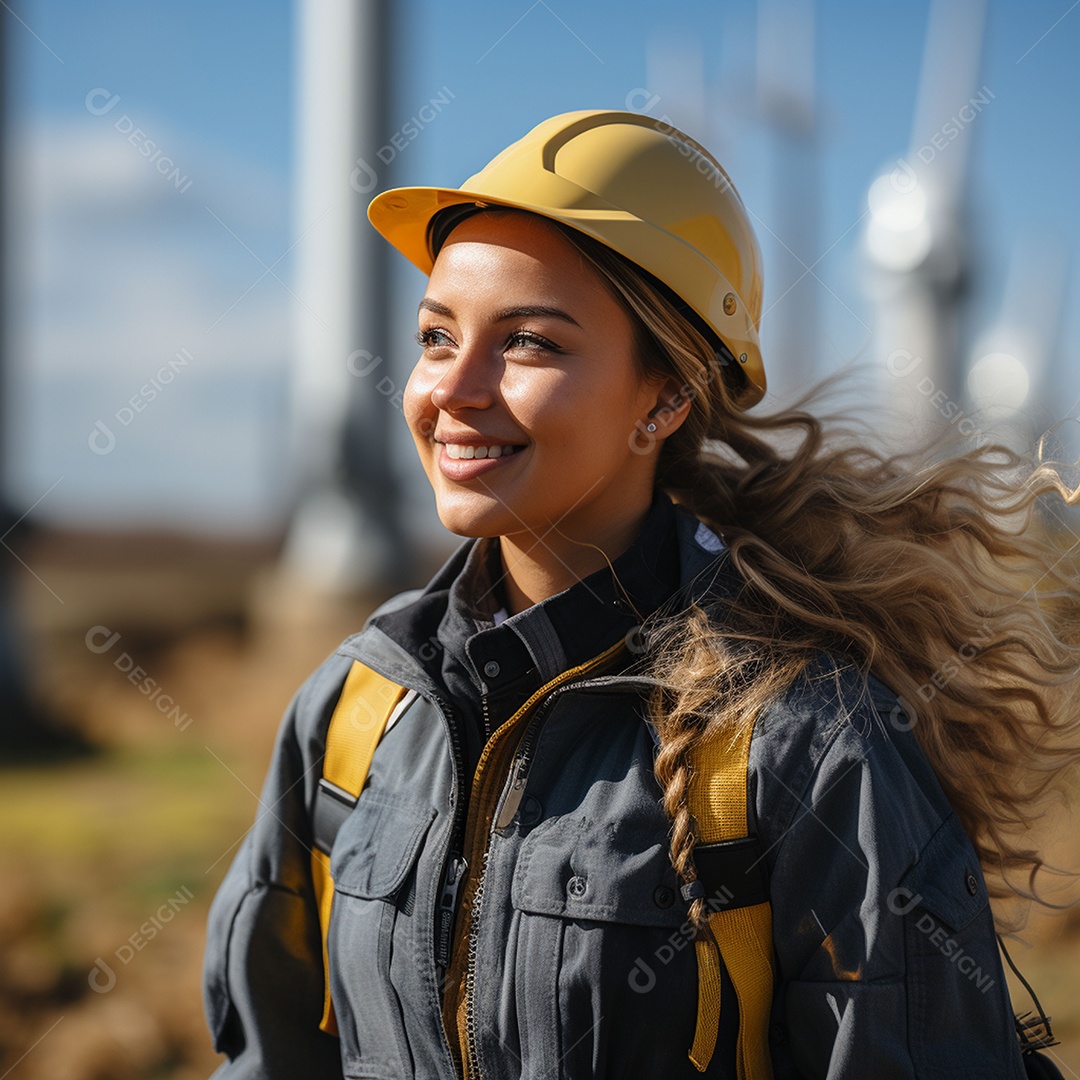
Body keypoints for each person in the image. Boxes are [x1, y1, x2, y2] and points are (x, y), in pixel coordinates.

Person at [201, 109, 1080, 1079]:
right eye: (437, 336)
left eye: (530, 342)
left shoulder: (804, 747)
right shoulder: (356, 714)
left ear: (666, 397)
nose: (454, 388)